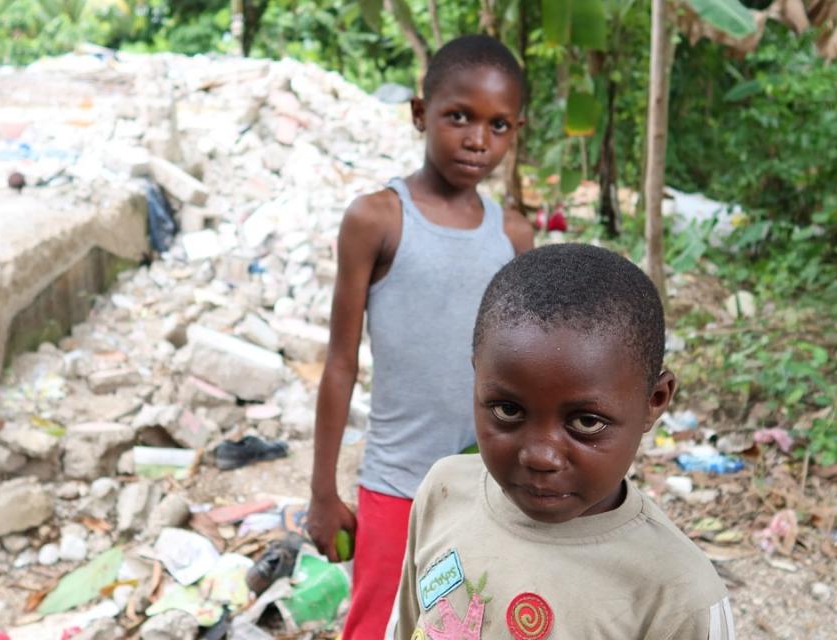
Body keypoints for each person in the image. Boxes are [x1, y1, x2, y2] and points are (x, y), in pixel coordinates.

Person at [307, 35, 534, 640]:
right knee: (376, 624)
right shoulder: (378, 219)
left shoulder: (512, 236)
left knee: (462, 623)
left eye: (499, 124)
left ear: (516, 132)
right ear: (419, 114)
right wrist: (323, 493)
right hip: (395, 484)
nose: (477, 138)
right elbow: (338, 365)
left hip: (483, 486)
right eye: (458, 116)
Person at [390, 244, 734, 640]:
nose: (540, 456)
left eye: (586, 422)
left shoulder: (677, 593)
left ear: (653, 402)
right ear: (477, 378)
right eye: (507, 410)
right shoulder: (445, 492)